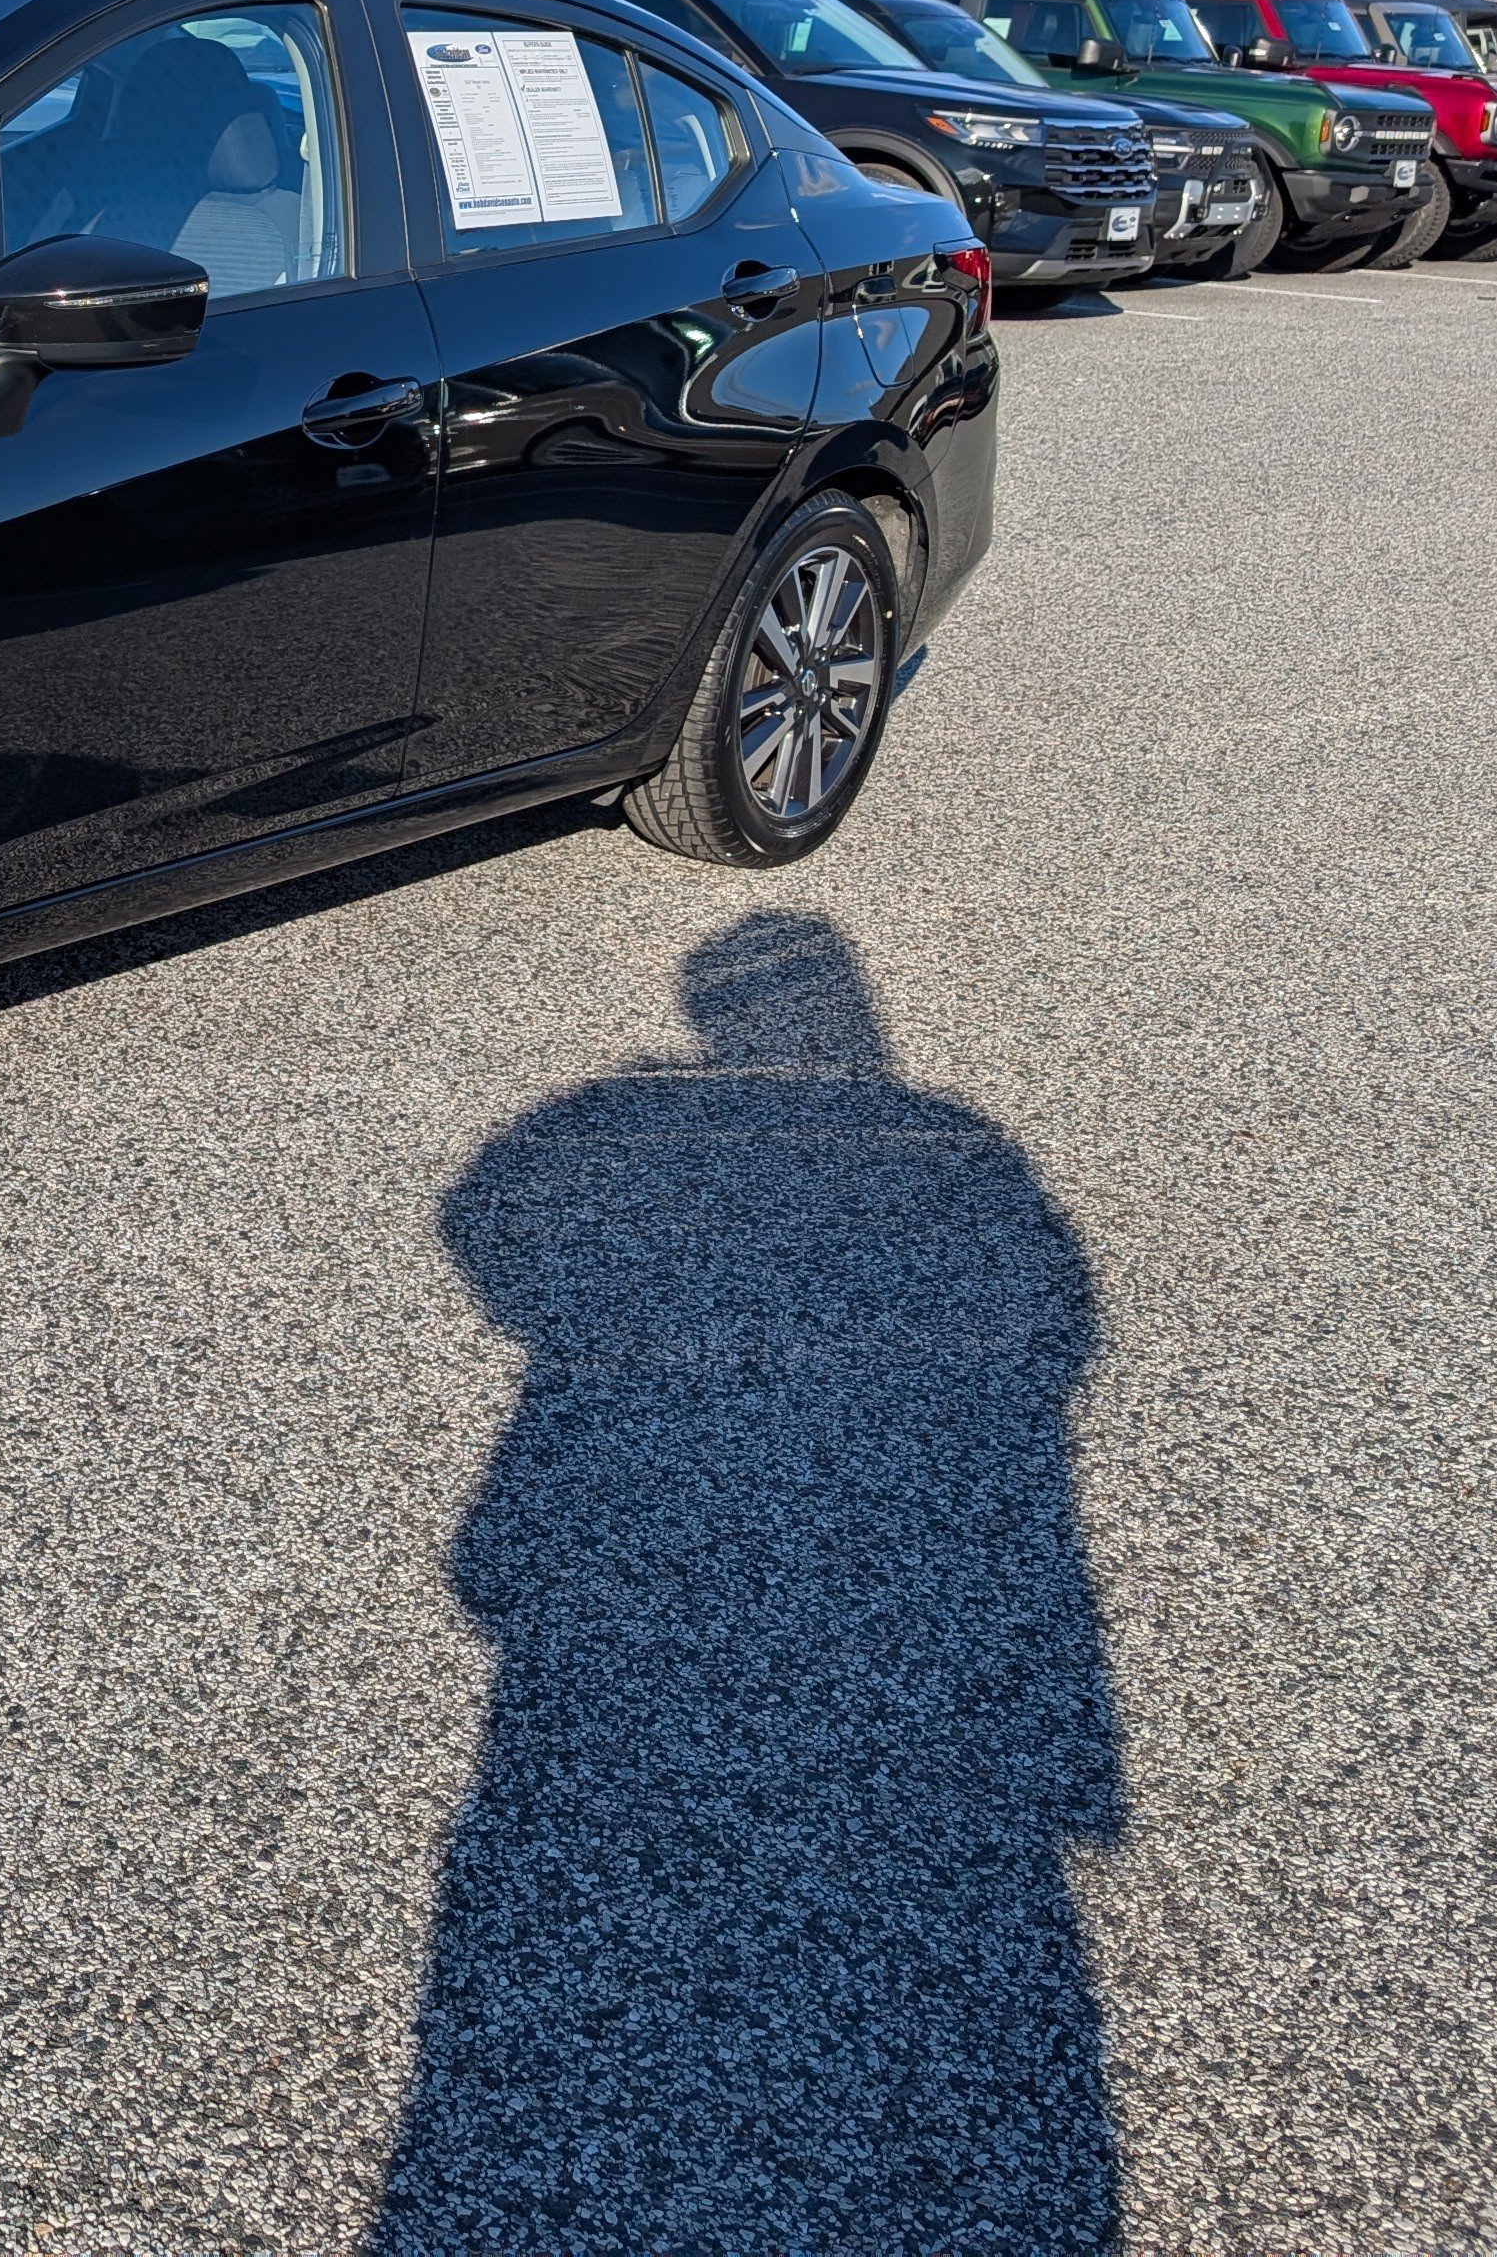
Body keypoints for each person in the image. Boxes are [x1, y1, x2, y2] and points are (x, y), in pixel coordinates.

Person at [373, 913, 1127, 2255]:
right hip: (961, 1760)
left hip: (584, 1664)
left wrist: (576, 1325)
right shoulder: (954, 1144)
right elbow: (1053, 1323)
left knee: (545, 1920)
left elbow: (479, 1212)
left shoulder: (694, 1124)